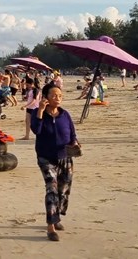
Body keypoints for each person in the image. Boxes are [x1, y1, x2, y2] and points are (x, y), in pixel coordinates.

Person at [31, 84, 80, 242]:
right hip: (46, 157)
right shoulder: (37, 113)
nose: (57, 98)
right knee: (51, 189)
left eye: (60, 95)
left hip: (65, 156)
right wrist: (40, 110)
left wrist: (75, 144)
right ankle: (50, 227)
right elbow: (36, 130)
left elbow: (72, 133)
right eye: (53, 95)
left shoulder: (65, 114)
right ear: (45, 97)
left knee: (63, 189)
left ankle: (56, 216)